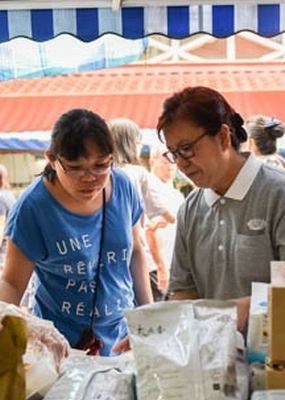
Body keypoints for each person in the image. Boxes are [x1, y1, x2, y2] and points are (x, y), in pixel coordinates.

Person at [157, 86, 285, 330]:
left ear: (222, 137)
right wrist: (155, 329)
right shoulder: (191, 208)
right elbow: (184, 292)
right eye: (173, 154)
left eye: (187, 149)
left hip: (282, 359)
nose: (180, 164)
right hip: (211, 359)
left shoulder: (283, 195)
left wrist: (249, 307)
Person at [0, 109, 153, 356]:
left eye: (101, 165)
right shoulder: (33, 208)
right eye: (75, 168)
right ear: (52, 159)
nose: (90, 178)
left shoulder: (123, 186)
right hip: (60, 346)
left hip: (124, 336)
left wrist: (147, 320)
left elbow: (135, 251)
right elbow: (12, 282)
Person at [109, 118, 176, 301]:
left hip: (109, 260)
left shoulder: (103, 174)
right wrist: (171, 219)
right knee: (146, 313)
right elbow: (166, 213)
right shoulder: (137, 173)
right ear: (132, 144)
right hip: (140, 258)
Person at [147, 144, 185, 289]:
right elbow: (150, 230)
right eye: (164, 161)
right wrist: (161, 267)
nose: (170, 166)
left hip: (172, 265)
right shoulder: (149, 188)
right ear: (152, 162)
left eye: (173, 161)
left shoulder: (176, 194)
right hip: (154, 267)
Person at [0, 164, 16, 270]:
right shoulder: (9, 195)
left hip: (3, 254)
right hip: (11, 251)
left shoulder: (0, 198)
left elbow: (0, 226)